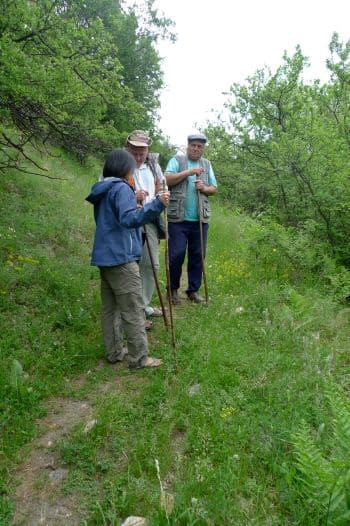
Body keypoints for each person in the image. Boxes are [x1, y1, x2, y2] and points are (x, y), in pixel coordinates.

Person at [86, 149, 170, 369]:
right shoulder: (122, 188)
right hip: (121, 258)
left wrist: (135, 202)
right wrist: (158, 204)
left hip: (105, 257)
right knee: (132, 309)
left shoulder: (104, 189)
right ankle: (139, 358)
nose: (133, 173)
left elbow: (114, 218)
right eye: (132, 170)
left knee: (110, 308)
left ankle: (114, 352)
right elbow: (129, 219)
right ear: (125, 170)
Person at [164, 133, 217, 304]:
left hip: (200, 220)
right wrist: (188, 172)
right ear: (187, 146)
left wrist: (204, 187)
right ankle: (172, 289)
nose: (196, 148)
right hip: (177, 219)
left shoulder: (207, 164)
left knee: (198, 255)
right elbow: (166, 179)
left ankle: (193, 290)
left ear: (203, 149)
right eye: (193, 145)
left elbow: (214, 188)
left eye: (199, 146)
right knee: (176, 254)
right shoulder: (177, 161)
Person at [126, 130, 165, 322]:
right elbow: (106, 193)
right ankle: (132, 313)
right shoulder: (118, 165)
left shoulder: (153, 165)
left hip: (149, 220)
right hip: (127, 221)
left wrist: (162, 197)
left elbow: (162, 186)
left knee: (151, 265)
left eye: (142, 151)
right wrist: (133, 197)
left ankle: (142, 305)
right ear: (128, 147)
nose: (139, 156)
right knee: (130, 266)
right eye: (135, 151)